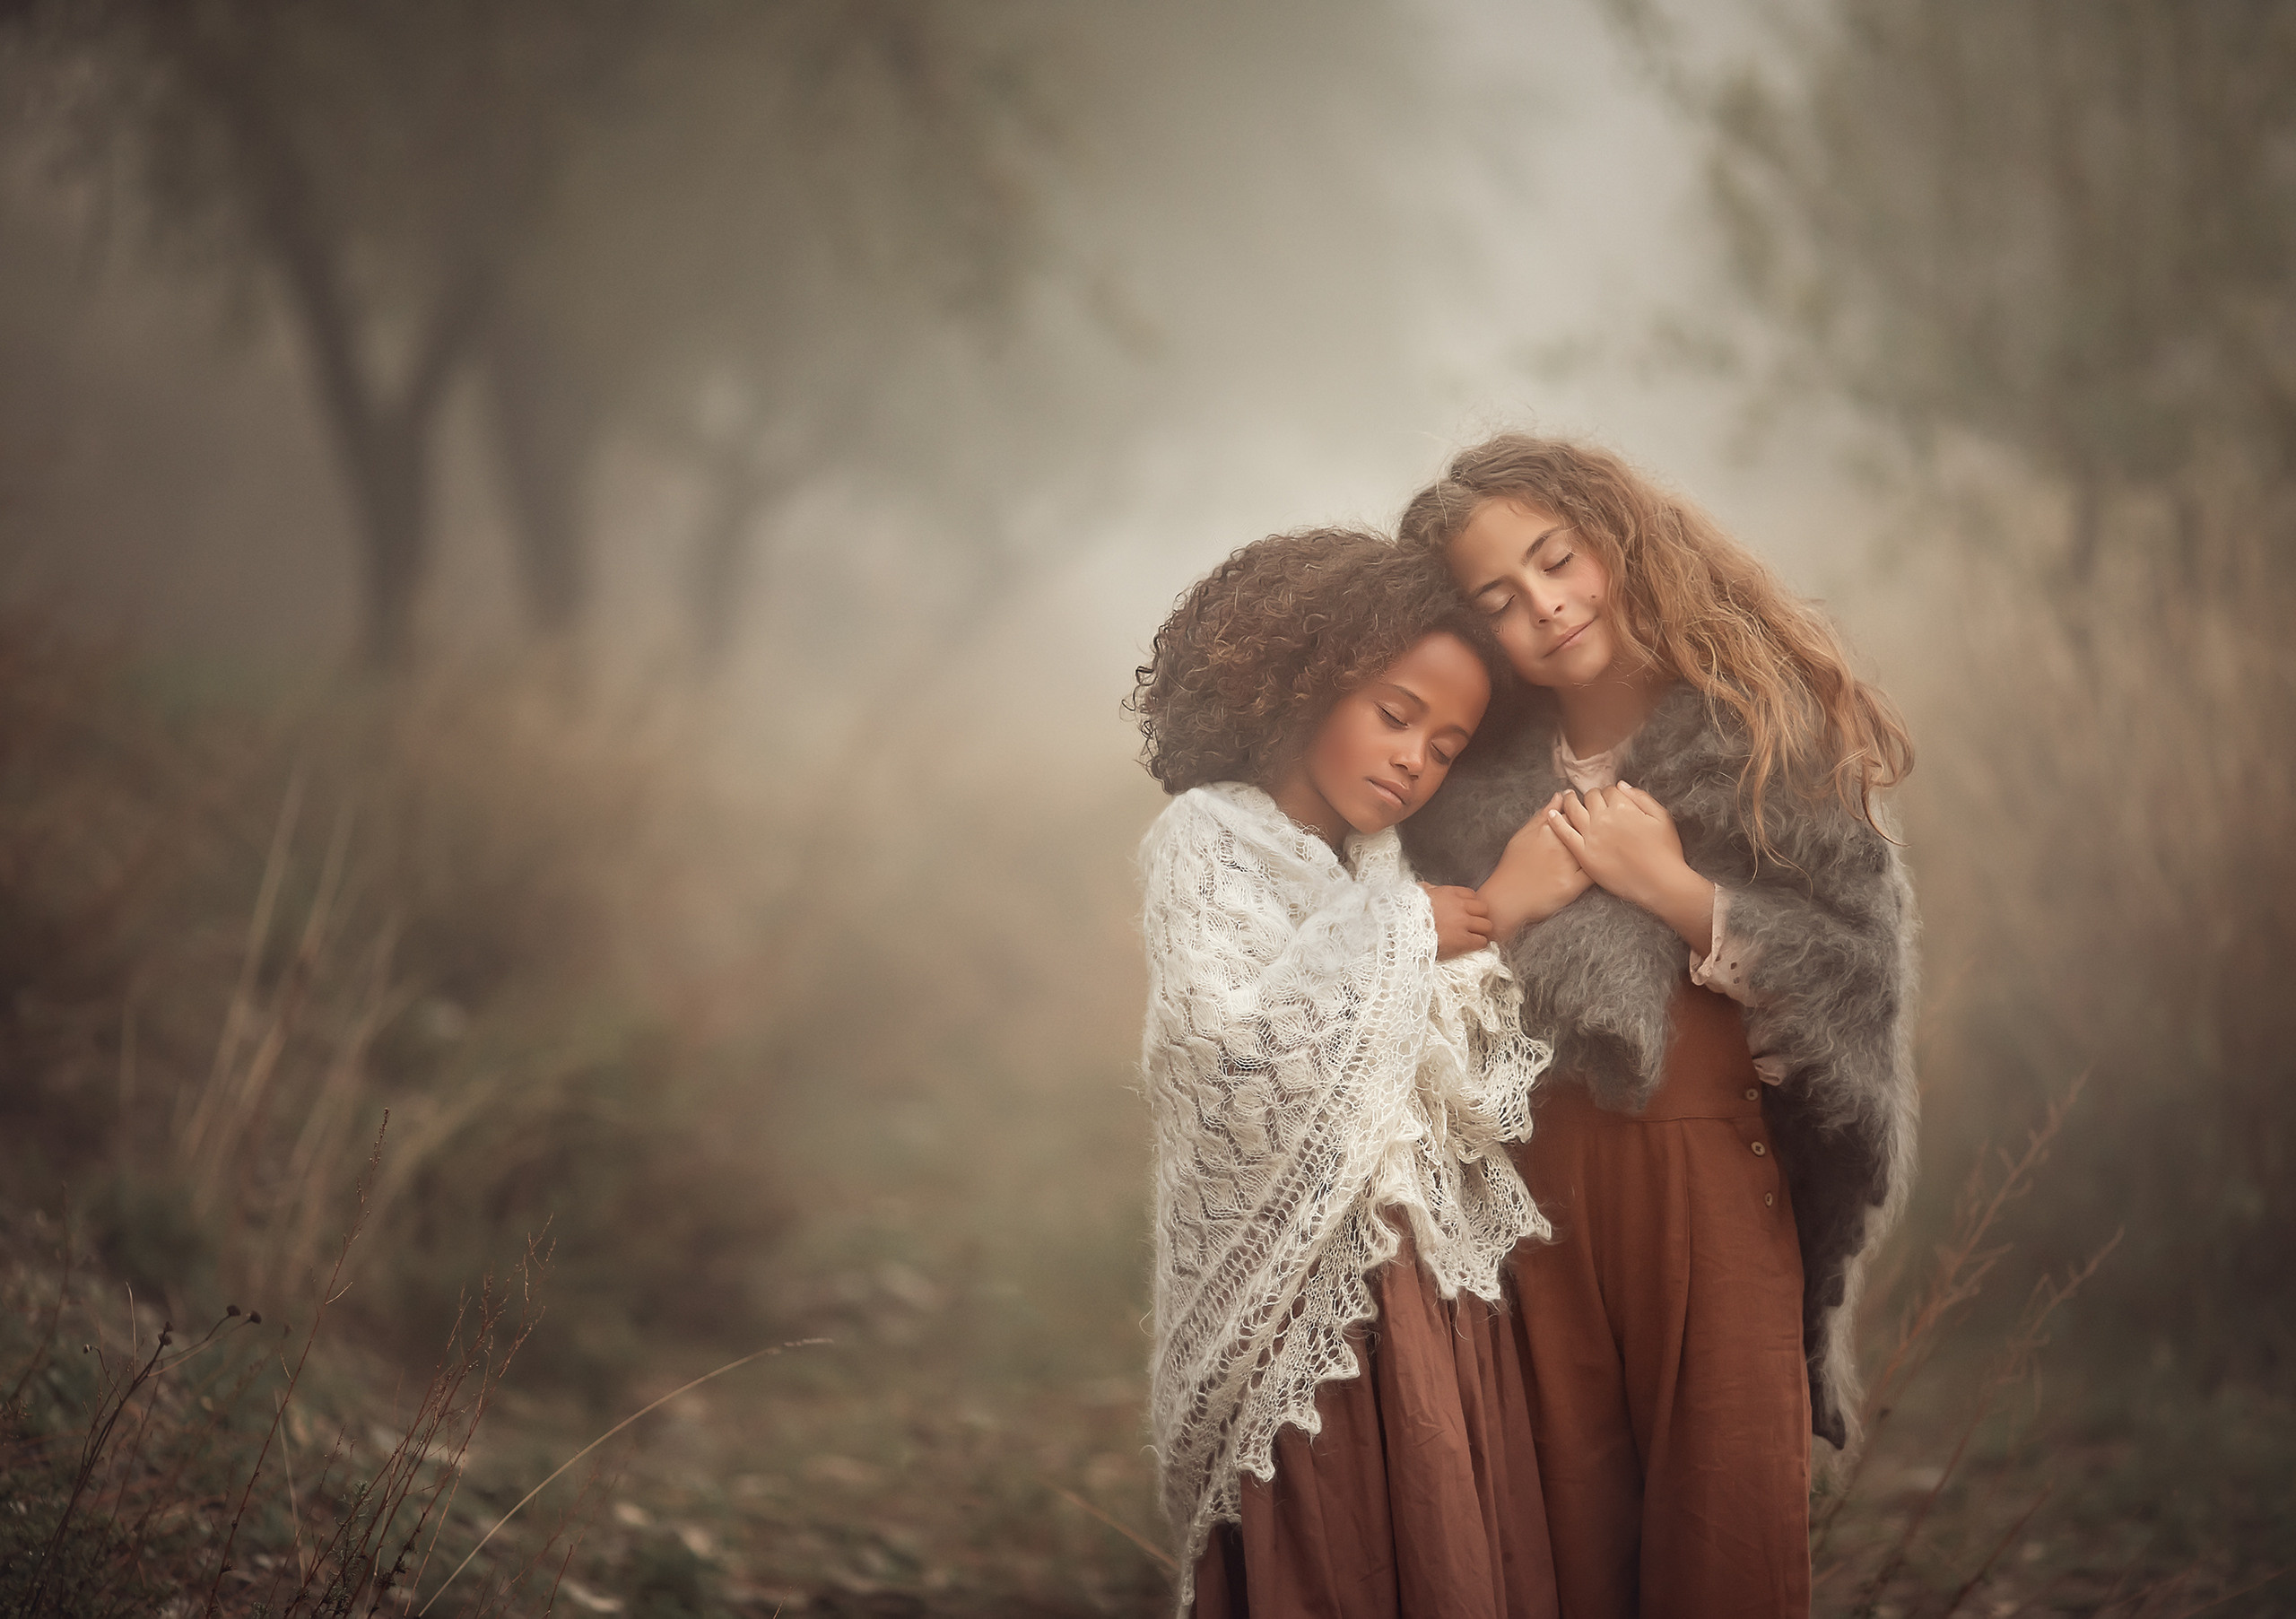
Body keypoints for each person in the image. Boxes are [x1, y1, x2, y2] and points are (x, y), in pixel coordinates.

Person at [1399, 435, 1918, 1619]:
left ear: (1615, 539)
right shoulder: (1468, 784)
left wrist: (1672, 886)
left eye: (1557, 559)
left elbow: (1851, 972)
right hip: (1529, 1194)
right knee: (1553, 1530)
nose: (1547, 605)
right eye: (1501, 599)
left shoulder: (1766, 733)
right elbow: (1417, 973)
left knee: (1723, 1528)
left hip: (1712, 1183)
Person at [1132, 527, 1566, 1618]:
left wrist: (1426, 929)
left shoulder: (1380, 867)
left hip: (1408, 1280)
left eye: (1448, 743)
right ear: (1301, 681)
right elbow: (1223, 1052)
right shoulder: (1207, 837)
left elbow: (1442, 1067)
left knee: (1426, 1526)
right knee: (1326, 1546)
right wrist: (1400, 933)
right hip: (1293, 1291)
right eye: (1395, 713)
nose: (1417, 757)